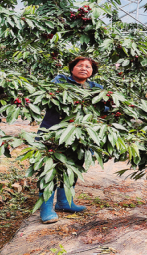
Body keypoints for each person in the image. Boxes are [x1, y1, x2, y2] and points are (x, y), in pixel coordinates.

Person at [38, 56, 103, 224]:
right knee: (49, 169)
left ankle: (64, 202)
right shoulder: (60, 81)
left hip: (80, 135)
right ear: (72, 68)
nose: (84, 68)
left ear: (92, 72)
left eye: (88, 67)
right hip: (53, 132)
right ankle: (46, 208)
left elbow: (104, 108)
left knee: (73, 167)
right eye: (80, 65)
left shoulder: (96, 88)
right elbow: (51, 96)